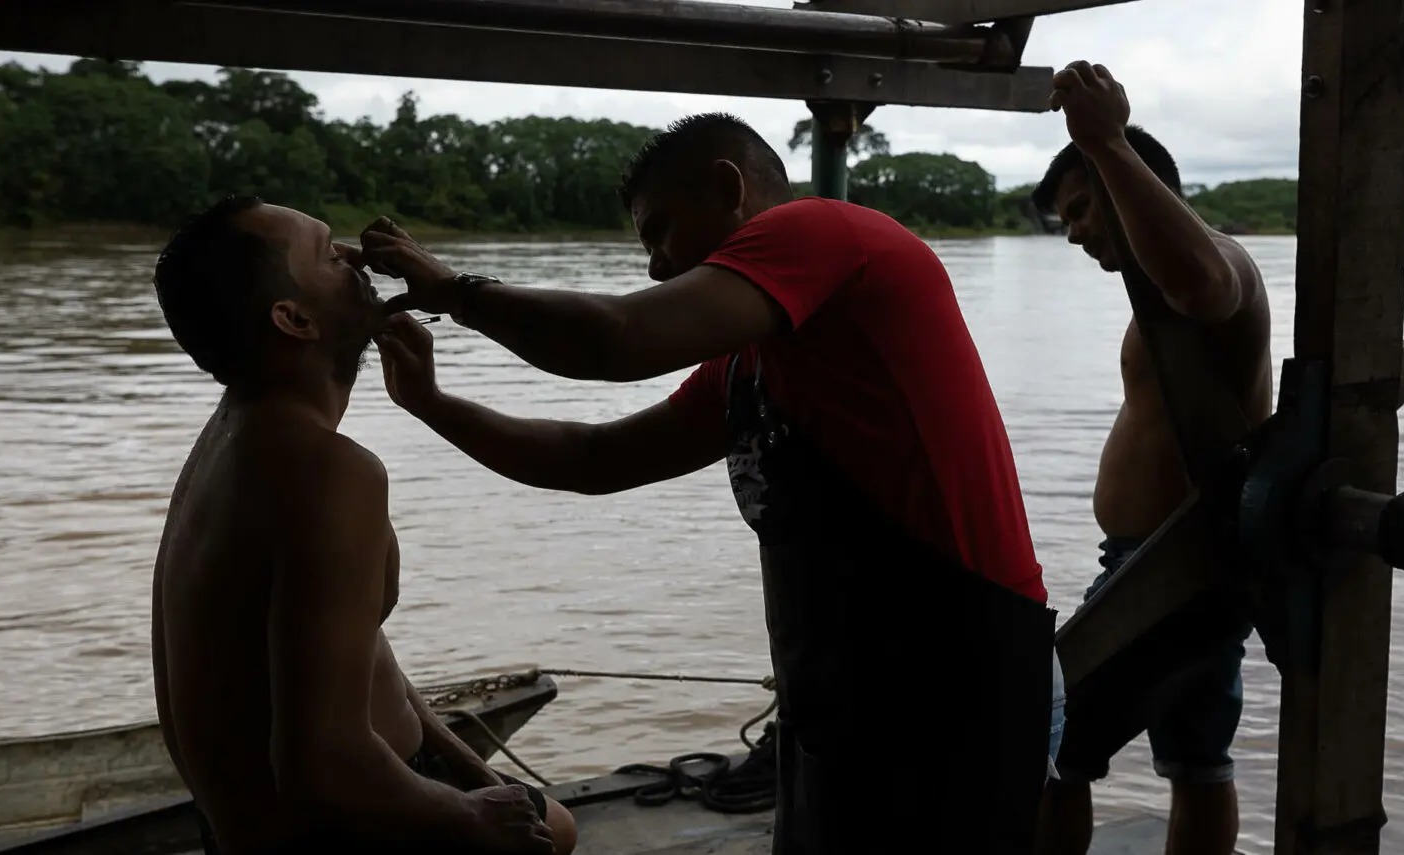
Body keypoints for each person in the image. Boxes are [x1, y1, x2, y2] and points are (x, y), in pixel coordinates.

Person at [363, 112, 1061, 854]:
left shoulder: (825, 231)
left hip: (958, 675)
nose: (658, 266)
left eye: (660, 230)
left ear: (729, 188)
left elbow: (616, 336)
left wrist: (454, 289)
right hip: (847, 693)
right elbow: (592, 457)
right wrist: (433, 405)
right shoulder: (750, 361)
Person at [149, 195, 575, 855]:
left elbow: (361, 651)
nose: (354, 255)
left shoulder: (237, 431)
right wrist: (472, 818)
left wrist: (472, 773)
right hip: (333, 825)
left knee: (555, 820)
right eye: (326, 253)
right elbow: (322, 765)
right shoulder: (325, 471)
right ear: (293, 319)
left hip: (267, 821)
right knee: (553, 831)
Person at [1030, 62, 1271, 855]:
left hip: (1172, 569)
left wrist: (1104, 141)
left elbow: (1206, 286)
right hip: (1186, 565)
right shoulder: (1156, 301)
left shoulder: (1216, 258)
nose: (1073, 233)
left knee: (1050, 743)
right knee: (1197, 759)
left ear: (1131, 182)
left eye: (1079, 208)